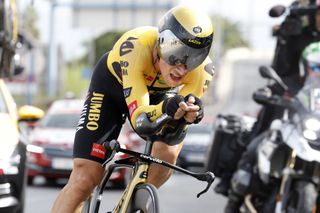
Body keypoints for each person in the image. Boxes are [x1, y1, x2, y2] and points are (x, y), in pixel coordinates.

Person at [51, 5, 214, 213]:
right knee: (85, 178)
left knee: (168, 155)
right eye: (177, 54)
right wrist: (165, 107)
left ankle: (131, 204)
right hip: (112, 89)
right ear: (162, 42)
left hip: (159, 97)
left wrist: (192, 112)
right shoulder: (136, 47)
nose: (182, 68)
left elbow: (184, 113)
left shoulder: (203, 71)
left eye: (194, 57)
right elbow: (141, 120)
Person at [223, 1, 320, 212]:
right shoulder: (297, 34)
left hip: (316, 117)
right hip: (291, 105)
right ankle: (234, 199)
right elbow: (281, 68)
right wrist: (286, 33)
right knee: (259, 141)